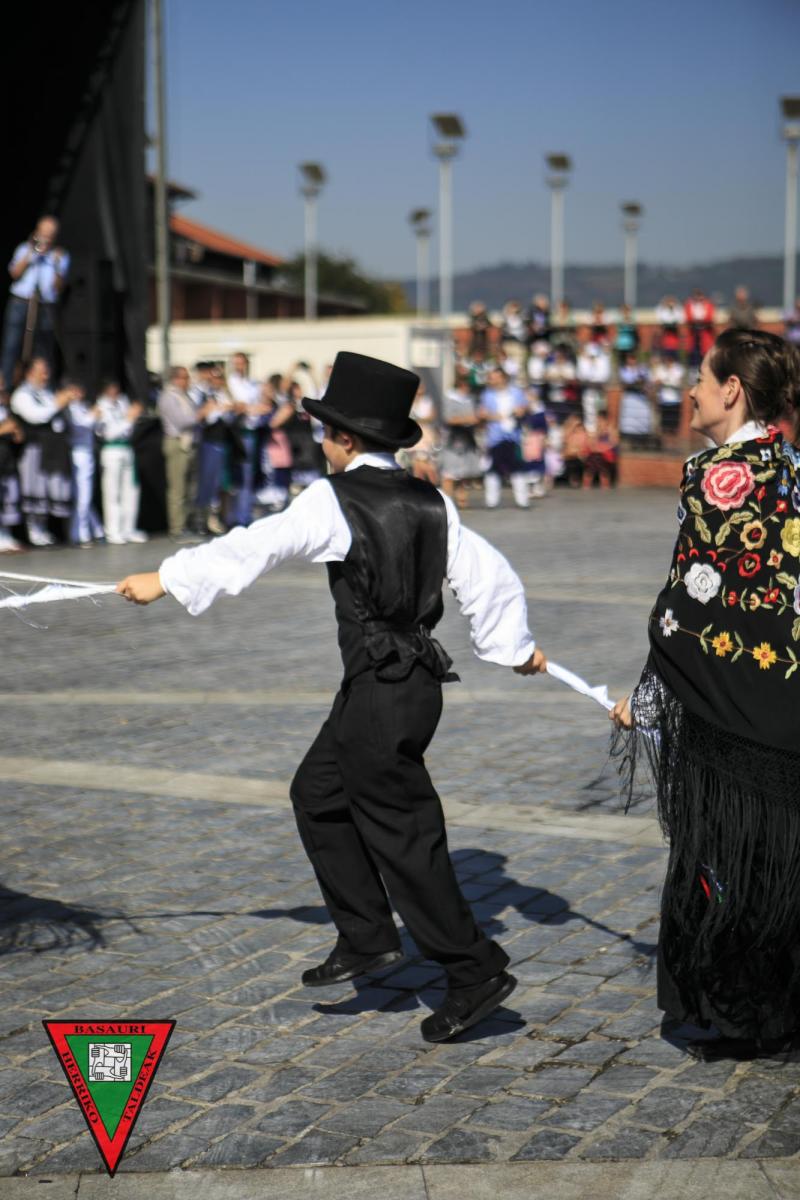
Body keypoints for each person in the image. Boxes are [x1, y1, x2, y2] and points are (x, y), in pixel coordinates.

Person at [117, 351, 548, 1044]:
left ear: (345, 438)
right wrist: (514, 645)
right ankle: (366, 936)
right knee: (317, 791)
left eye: (325, 431)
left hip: (382, 689)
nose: (320, 442)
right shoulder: (431, 499)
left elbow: (257, 543)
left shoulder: (333, 498)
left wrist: (166, 578)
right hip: (405, 685)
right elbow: (488, 575)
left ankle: (473, 972)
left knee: (403, 835)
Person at [610, 329, 800, 1061]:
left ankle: (741, 1014)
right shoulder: (791, 466)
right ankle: (776, 1007)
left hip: (726, 702)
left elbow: (692, 596)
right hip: (785, 693)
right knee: (778, 857)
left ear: (732, 389)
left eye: (700, 376)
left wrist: (650, 690)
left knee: (726, 853)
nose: (689, 390)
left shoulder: (714, 474)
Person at [10, 358, 74, 546]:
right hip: (33, 447)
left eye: (47, 371)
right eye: (41, 372)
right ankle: (33, 530)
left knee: (48, 490)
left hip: (51, 448)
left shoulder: (46, 393)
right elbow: (36, 416)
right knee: (34, 488)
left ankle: (43, 529)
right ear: (30, 373)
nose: (46, 376)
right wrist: (57, 404)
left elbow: (55, 418)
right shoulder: (22, 394)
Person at [1, 216, 70, 391]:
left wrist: (56, 265)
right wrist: (32, 254)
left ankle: (42, 388)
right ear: (37, 232)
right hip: (21, 301)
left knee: (44, 348)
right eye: (44, 232)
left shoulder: (59, 255)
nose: (46, 237)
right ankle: (5, 388)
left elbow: (59, 287)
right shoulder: (24, 249)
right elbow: (14, 273)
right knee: (12, 344)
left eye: (50, 234)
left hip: (45, 305)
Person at [96, 382, 146, 545]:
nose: (114, 391)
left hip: (127, 449)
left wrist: (131, 419)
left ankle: (128, 529)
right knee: (112, 492)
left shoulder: (122, 402)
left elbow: (129, 430)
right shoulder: (101, 406)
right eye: (111, 388)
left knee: (131, 491)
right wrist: (128, 419)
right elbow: (109, 433)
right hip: (111, 451)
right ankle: (113, 531)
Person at [157, 366, 201, 540]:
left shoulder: (185, 396)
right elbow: (182, 421)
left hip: (189, 443)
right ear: (175, 379)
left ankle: (187, 524)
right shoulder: (168, 397)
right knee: (177, 488)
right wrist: (202, 414)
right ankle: (177, 528)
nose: (188, 381)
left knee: (190, 488)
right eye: (185, 378)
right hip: (176, 443)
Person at [479, 366, 529, 509]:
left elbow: (524, 408)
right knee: (493, 469)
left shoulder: (516, 392)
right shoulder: (486, 395)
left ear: (503, 378)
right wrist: (496, 417)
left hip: (514, 436)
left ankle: (522, 500)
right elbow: (482, 413)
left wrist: (520, 411)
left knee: (517, 468)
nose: (491, 380)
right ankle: (491, 501)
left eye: (494, 377)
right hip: (495, 437)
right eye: (490, 377)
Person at [68, 384, 104, 547]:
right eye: (75, 390)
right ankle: (80, 533)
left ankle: (96, 528)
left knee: (85, 495)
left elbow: (95, 429)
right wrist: (92, 416)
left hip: (88, 452)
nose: (79, 393)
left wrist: (97, 418)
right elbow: (78, 427)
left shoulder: (83, 407)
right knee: (82, 495)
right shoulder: (69, 409)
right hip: (77, 452)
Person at [439, 370, 481, 509]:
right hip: (452, 439)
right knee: (449, 473)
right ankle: (447, 501)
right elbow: (448, 418)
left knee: (464, 473)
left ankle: (462, 499)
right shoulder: (449, 399)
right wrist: (467, 419)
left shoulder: (470, 399)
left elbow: (476, 416)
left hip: (467, 439)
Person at [0, 383, 24, 553]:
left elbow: (18, 437)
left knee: (8, 499)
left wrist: (16, 431)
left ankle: (6, 535)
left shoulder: (5, 410)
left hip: (6, 459)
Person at [685, 289, 716, 368]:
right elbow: (688, 317)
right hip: (693, 333)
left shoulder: (708, 305)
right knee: (693, 354)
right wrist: (696, 321)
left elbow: (709, 317)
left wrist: (702, 321)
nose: (698, 298)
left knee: (705, 353)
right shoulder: (689, 305)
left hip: (705, 334)